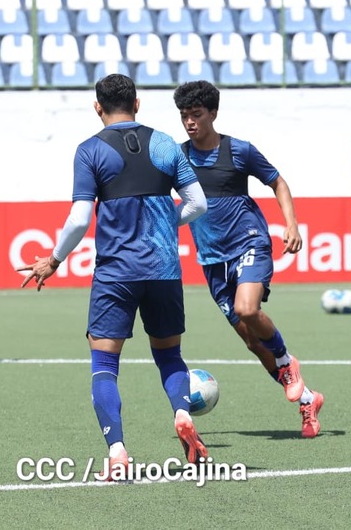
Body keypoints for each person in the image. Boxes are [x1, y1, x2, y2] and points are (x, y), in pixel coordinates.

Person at [19, 74, 210, 480]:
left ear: (97, 107)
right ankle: (182, 412)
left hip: (116, 273)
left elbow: (79, 218)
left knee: (104, 363)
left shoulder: (90, 150)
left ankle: (118, 452)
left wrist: (54, 260)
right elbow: (198, 203)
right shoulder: (165, 143)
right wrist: (166, 223)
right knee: (169, 356)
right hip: (163, 270)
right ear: (137, 104)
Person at [173, 80, 324, 438]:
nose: (190, 122)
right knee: (252, 341)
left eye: (196, 114)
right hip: (212, 259)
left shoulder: (239, 150)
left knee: (247, 309)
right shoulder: (177, 157)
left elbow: (278, 182)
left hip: (249, 242)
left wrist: (291, 224)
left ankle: (287, 363)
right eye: (184, 116)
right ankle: (308, 399)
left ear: (213, 113)